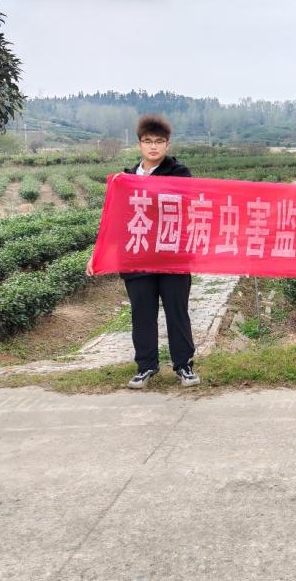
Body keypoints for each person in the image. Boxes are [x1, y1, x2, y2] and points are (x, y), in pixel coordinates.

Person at [86, 114, 200, 390]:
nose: (153, 146)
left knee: (177, 312)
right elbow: (115, 220)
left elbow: (185, 204)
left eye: (159, 142)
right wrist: (98, 254)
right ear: (139, 144)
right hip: (137, 256)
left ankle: (183, 365)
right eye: (148, 141)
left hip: (172, 256)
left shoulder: (180, 173)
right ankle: (146, 366)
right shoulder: (126, 179)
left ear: (167, 145)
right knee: (142, 313)